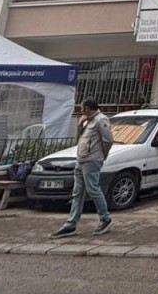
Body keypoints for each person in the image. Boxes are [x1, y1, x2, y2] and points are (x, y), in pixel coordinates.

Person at [51, 100, 114, 238]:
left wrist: (101, 156)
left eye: (82, 108)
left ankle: (105, 218)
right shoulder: (88, 120)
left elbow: (108, 140)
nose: (80, 110)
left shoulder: (100, 120)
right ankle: (71, 224)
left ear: (87, 108)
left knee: (93, 189)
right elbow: (80, 139)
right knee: (77, 192)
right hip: (81, 159)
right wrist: (80, 124)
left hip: (92, 160)